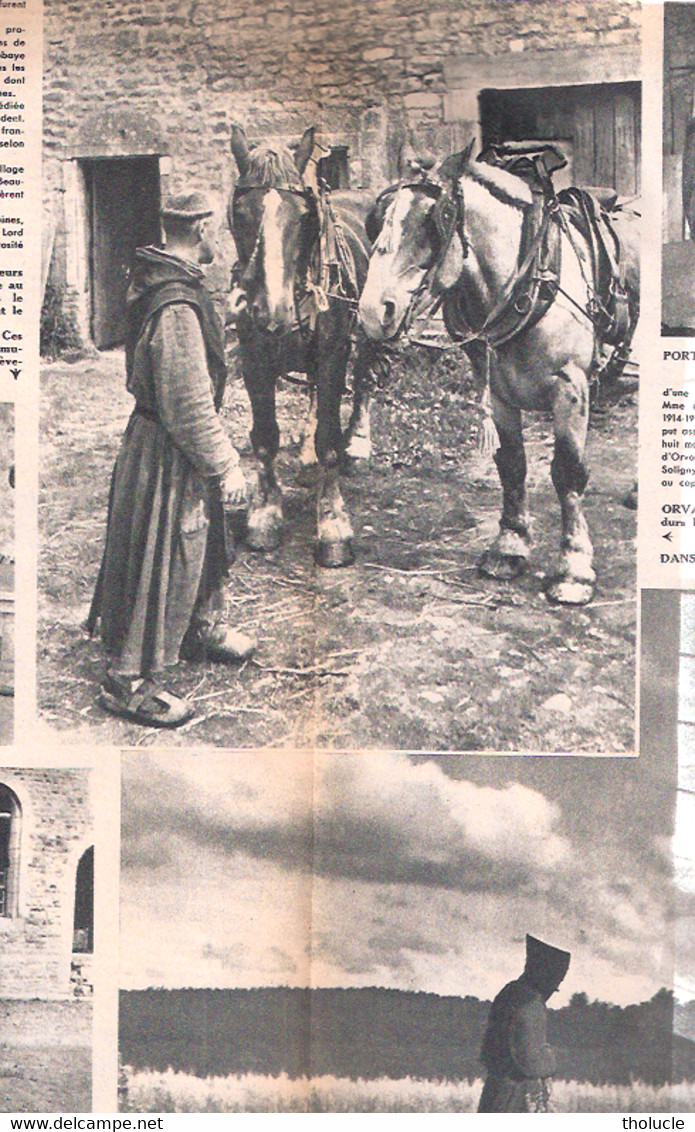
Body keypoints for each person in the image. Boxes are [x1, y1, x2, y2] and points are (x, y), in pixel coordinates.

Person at [88, 191, 255, 728]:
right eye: (217, 230)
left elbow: (186, 352)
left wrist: (223, 320)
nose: (221, 240)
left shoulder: (169, 284)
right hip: (167, 450)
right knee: (169, 551)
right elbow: (186, 401)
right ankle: (128, 681)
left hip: (160, 440)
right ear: (203, 229)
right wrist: (225, 462)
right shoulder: (177, 304)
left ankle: (197, 629)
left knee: (200, 543)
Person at [477, 934, 571, 1112]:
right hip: (515, 1097)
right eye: (555, 983)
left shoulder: (510, 991)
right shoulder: (531, 1003)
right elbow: (531, 1062)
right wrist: (552, 1058)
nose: (553, 990)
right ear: (544, 974)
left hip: (494, 1093)